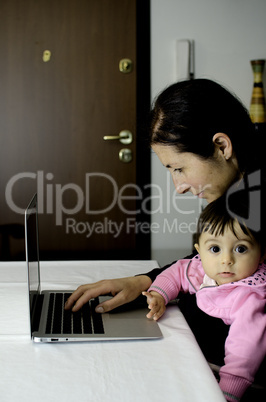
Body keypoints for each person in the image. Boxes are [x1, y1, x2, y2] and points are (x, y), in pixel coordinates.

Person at [65, 78, 265, 314]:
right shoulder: (241, 186)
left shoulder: (253, 203)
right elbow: (206, 261)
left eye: (179, 168)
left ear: (221, 146)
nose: (178, 187)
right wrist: (144, 282)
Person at [142, 195, 266, 402]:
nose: (226, 260)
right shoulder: (202, 266)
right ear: (199, 251)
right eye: (215, 249)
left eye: (241, 249)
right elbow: (178, 272)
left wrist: (227, 392)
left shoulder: (250, 297)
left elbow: (245, 348)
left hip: (231, 377)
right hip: (195, 355)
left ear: (262, 254)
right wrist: (159, 294)